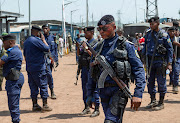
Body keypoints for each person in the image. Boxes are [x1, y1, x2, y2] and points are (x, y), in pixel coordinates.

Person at [89, 15, 146, 123]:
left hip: (119, 90)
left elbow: (139, 69)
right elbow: (92, 73)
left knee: (110, 121)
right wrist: (90, 94)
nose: (101, 31)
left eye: (104, 28)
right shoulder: (98, 48)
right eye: (99, 29)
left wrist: (138, 94)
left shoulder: (125, 46)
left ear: (114, 27)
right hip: (103, 91)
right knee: (114, 120)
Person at [143, 16, 173, 110]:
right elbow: (145, 48)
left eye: (153, 24)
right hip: (150, 62)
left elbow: (170, 49)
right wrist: (143, 61)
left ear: (158, 23)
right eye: (150, 24)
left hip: (160, 61)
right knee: (150, 81)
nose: (151, 26)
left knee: (161, 82)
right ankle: (153, 100)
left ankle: (161, 102)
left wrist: (169, 63)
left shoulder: (164, 35)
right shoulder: (148, 34)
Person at [24, 25, 52, 111]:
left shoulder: (26, 41)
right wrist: (43, 40)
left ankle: (35, 104)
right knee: (43, 85)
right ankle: (45, 105)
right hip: (39, 68)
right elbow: (47, 49)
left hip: (30, 67)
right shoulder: (36, 40)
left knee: (33, 86)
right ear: (38, 32)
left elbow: (25, 54)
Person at [0, 34, 24, 123]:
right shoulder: (16, 50)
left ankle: (16, 121)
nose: (3, 45)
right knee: (14, 102)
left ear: (10, 42)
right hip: (15, 77)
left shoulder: (11, 52)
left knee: (13, 104)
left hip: (13, 80)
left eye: (4, 42)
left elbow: (1, 62)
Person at [77, 26, 99, 116]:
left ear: (92, 33)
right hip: (84, 69)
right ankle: (86, 107)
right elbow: (80, 54)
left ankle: (96, 109)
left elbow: (95, 56)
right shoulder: (84, 43)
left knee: (94, 89)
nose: (85, 34)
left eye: (86, 33)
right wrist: (78, 47)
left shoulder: (96, 43)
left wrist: (86, 48)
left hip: (93, 70)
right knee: (85, 89)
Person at [42, 24, 58, 99]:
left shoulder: (53, 37)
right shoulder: (40, 38)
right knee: (46, 75)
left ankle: (51, 91)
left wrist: (56, 60)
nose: (45, 30)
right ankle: (47, 92)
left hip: (50, 59)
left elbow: (55, 49)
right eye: (43, 28)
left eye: (46, 28)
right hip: (43, 59)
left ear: (49, 29)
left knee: (49, 75)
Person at [168, 26, 180, 93]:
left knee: (176, 71)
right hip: (169, 58)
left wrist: (177, 44)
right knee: (170, 72)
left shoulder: (178, 39)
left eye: (173, 31)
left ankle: (175, 85)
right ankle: (171, 81)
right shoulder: (167, 39)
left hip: (177, 57)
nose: (172, 33)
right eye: (171, 31)